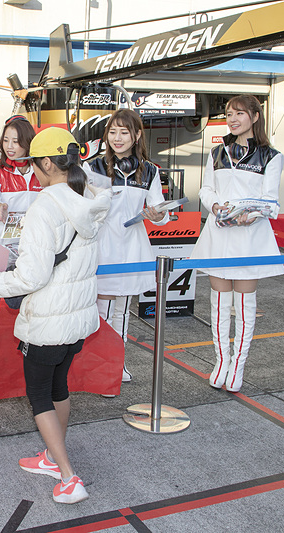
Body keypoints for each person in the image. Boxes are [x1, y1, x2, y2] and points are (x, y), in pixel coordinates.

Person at [0, 128, 111, 504]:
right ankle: (52, 457)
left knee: (39, 395)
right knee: (58, 387)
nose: (31, 170)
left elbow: (32, 276)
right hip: (78, 316)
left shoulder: (45, 206)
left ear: (47, 163)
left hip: (48, 318)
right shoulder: (90, 199)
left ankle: (68, 477)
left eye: (33, 163)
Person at [189, 94, 284, 393]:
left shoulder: (271, 156)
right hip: (219, 234)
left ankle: (238, 365)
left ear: (255, 117)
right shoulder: (217, 152)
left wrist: (252, 214)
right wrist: (215, 206)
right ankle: (221, 361)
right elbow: (206, 189)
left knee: (244, 305)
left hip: (249, 238)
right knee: (219, 302)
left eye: (239, 113)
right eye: (229, 113)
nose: (232, 119)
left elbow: (271, 200)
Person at [84, 109, 168, 387]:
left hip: (133, 246)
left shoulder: (150, 170)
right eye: (112, 132)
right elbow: (84, 207)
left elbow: (160, 211)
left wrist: (158, 214)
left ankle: (117, 363)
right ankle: (96, 363)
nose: (117, 138)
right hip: (102, 245)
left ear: (137, 136)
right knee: (100, 310)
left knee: (122, 309)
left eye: (124, 132)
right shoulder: (93, 167)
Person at [0, 115, 40, 244]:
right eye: (6, 140)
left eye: (16, 141)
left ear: (27, 142)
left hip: (30, 239)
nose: (9, 146)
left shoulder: (39, 169)